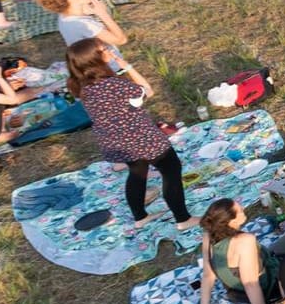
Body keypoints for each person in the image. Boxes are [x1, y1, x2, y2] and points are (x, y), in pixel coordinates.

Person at [68, 37, 198, 230]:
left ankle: (140, 216)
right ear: (95, 59)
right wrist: (126, 66)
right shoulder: (114, 85)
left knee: (137, 173)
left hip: (117, 142)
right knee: (171, 171)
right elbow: (148, 91)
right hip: (141, 138)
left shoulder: (82, 88)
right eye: (104, 49)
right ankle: (183, 219)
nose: (109, 51)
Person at [195, 197, 281, 304]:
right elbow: (251, 284)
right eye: (240, 210)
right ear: (231, 221)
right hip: (269, 285)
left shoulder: (209, 235)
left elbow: (208, 275)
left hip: (235, 293)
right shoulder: (245, 241)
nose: (243, 209)